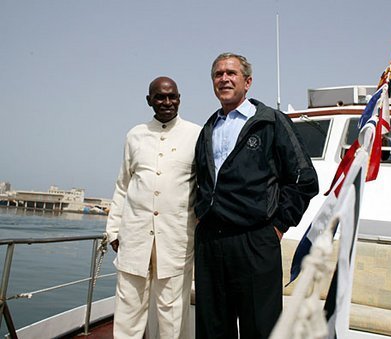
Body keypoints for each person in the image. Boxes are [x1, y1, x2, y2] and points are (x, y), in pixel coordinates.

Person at [194, 52, 319, 339]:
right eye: (218, 74)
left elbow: (304, 179)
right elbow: (201, 181)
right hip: (211, 243)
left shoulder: (271, 122)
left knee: (260, 328)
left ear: (247, 82)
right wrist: (201, 216)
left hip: (256, 241)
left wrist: (278, 226)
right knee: (212, 328)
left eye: (231, 73)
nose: (224, 78)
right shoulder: (207, 129)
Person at [105, 76, 201, 338]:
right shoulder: (135, 135)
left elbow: (204, 187)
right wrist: (113, 230)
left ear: (180, 99)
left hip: (176, 239)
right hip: (134, 237)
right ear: (149, 100)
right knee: (128, 311)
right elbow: (123, 185)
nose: (167, 102)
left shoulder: (196, 134)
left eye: (172, 97)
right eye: (160, 97)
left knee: (172, 314)